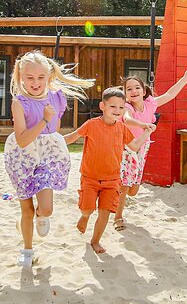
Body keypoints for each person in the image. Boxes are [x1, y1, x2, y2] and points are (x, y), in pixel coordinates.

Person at [4, 50, 94, 267]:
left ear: (49, 76)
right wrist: (44, 120)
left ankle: (40, 217)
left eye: (40, 77)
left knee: (46, 209)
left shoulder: (57, 96)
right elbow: (23, 140)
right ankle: (27, 249)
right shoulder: (19, 103)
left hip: (47, 156)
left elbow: (56, 127)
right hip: (22, 157)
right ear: (20, 77)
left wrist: (50, 131)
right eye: (30, 78)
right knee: (26, 208)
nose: (35, 82)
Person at [65, 87, 152, 254]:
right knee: (88, 209)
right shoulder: (91, 125)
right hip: (90, 177)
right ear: (102, 106)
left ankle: (95, 241)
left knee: (105, 212)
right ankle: (84, 217)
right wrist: (52, 141)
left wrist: (146, 134)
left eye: (121, 107)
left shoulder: (122, 128)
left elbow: (133, 146)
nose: (117, 111)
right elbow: (72, 137)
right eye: (113, 107)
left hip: (112, 179)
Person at [116, 66, 187, 230]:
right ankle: (118, 217)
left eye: (137, 87)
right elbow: (126, 118)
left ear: (144, 90)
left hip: (143, 146)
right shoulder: (127, 107)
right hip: (127, 146)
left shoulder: (150, 103)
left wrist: (186, 78)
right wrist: (143, 124)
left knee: (133, 190)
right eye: (129, 89)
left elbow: (170, 94)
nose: (134, 91)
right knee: (125, 185)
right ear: (125, 93)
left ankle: (113, 192)